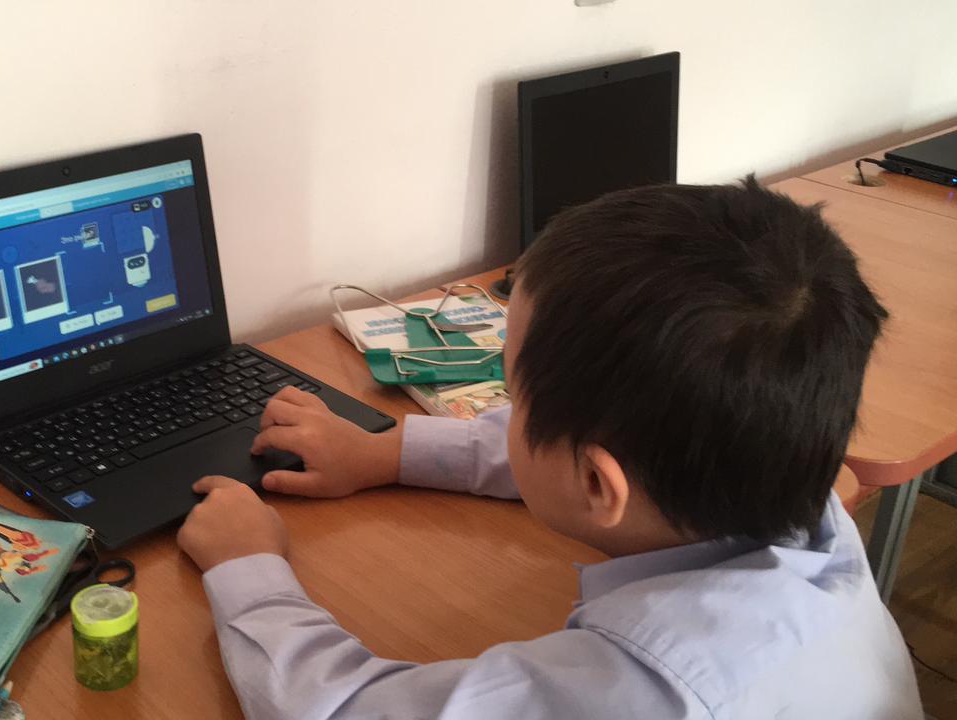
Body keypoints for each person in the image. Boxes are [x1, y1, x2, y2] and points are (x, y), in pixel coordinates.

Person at [176, 178, 924, 719]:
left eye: (512, 391)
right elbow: (598, 451)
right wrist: (388, 452)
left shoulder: (638, 692)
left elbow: (338, 709)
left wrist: (250, 570)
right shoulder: (797, 498)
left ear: (599, 485)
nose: (505, 412)